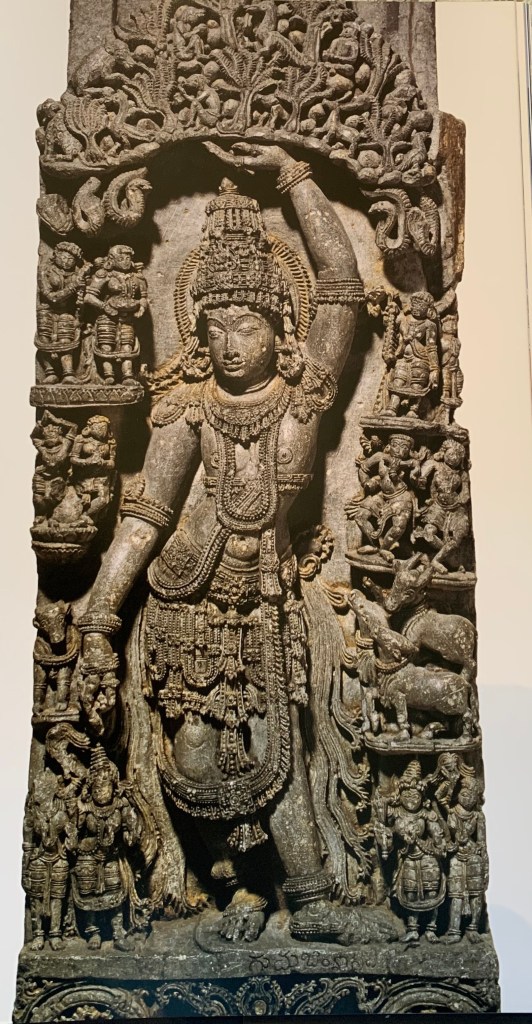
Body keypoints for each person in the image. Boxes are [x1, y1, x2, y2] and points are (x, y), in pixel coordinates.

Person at [78, 142, 364, 942]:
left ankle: (310, 901)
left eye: (247, 323)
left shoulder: (304, 397)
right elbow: (147, 516)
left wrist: (296, 178)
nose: (232, 341)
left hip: (265, 598)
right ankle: (239, 886)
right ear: (199, 330)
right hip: (187, 602)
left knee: (278, 748)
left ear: (279, 323)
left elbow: (342, 284)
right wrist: (100, 612)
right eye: (217, 326)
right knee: (198, 760)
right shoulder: (187, 410)